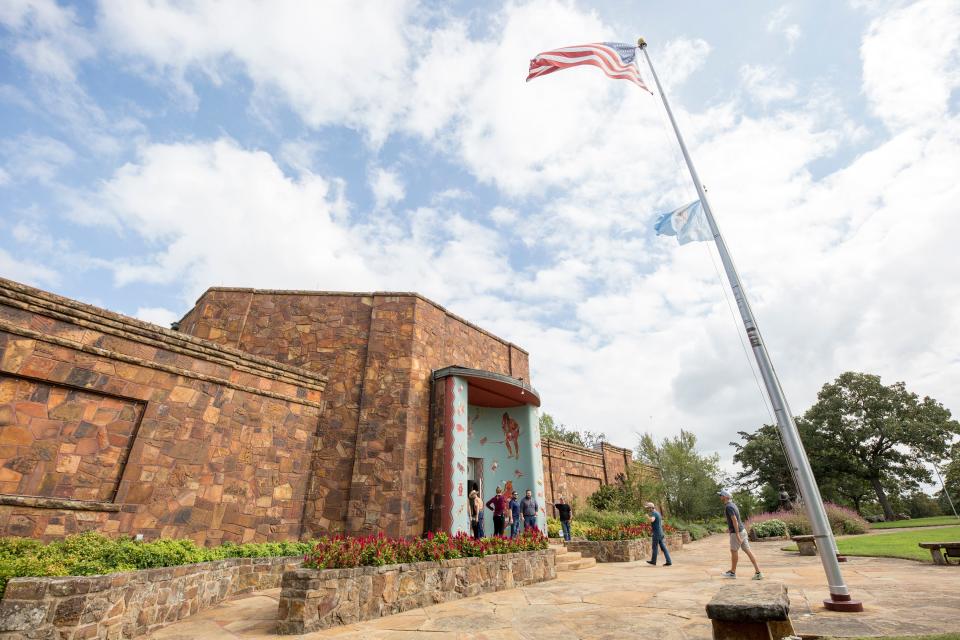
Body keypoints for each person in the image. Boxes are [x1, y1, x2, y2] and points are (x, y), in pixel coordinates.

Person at [718, 490, 762, 580]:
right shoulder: (733, 505)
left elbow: (735, 520)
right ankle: (758, 572)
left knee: (734, 551)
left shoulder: (728, 507)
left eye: (721, 495)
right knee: (748, 551)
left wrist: (737, 534)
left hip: (736, 532)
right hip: (743, 531)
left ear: (726, 497)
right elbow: (735, 520)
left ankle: (732, 573)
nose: (720, 496)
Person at [643, 502, 672, 566]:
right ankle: (669, 561)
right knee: (663, 548)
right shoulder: (658, 513)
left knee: (655, 547)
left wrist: (647, 517)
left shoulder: (654, 514)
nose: (647, 509)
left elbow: (652, 520)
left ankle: (653, 561)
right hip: (660, 533)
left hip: (656, 534)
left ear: (651, 508)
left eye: (648, 508)